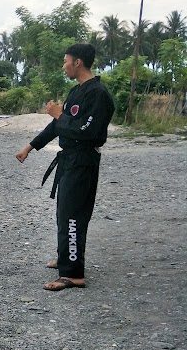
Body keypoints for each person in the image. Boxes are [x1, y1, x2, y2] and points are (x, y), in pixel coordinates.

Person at [15, 43, 115, 291]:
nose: (63, 65)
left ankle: (73, 275)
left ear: (77, 62)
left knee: (73, 216)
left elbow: (88, 130)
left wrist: (59, 115)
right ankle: (65, 258)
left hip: (83, 160)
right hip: (69, 159)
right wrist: (30, 146)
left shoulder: (98, 94)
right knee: (64, 212)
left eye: (65, 61)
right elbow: (57, 126)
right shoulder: (76, 91)